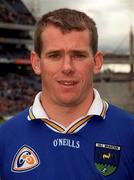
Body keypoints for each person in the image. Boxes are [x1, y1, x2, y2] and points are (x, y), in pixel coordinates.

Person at [0, 8, 134, 180]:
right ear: (36, 63)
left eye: (78, 55)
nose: (67, 67)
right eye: (55, 55)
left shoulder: (130, 133)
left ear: (97, 62)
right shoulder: (5, 138)